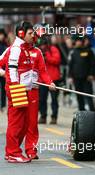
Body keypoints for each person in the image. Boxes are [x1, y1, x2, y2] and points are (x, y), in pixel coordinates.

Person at [2, 21, 55, 163]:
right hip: (18, 90)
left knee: (28, 124)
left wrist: (49, 82)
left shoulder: (36, 51)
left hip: (32, 90)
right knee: (16, 123)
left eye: (34, 33)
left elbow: (43, 72)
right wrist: (9, 80)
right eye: (30, 33)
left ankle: (23, 150)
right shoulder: (15, 49)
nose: (34, 36)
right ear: (21, 34)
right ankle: (13, 152)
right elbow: (10, 70)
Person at [37, 35, 61, 124]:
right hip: (42, 80)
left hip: (54, 79)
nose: (42, 47)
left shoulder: (53, 49)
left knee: (54, 99)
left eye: (44, 44)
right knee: (42, 99)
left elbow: (57, 60)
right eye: (41, 45)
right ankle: (43, 116)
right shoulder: (38, 51)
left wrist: (47, 57)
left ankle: (54, 117)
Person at [68, 35, 95, 111]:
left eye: (80, 41)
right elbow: (70, 65)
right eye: (77, 41)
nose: (78, 42)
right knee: (79, 96)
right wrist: (70, 76)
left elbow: (92, 64)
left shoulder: (88, 51)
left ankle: (92, 112)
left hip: (86, 78)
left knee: (88, 95)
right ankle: (81, 112)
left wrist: (91, 74)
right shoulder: (73, 52)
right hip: (76, 78)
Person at [0, 29, 7, 111]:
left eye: (2, 35)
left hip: (4, 70)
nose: (1, 36)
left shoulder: (5, 45)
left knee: (3, 88)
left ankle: (3, 105)